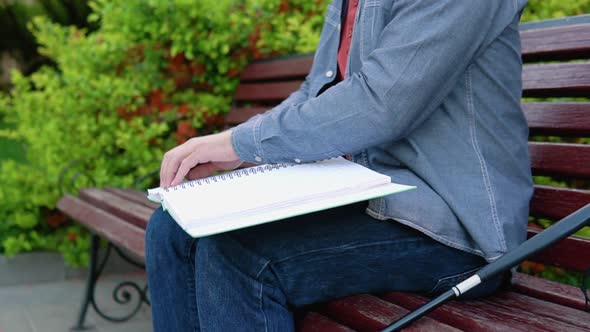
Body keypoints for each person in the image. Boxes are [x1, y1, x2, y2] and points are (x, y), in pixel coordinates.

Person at [146, 0, 533, 330]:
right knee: (172, 227)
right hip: (373, 197)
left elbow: (382, 103)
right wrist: (239, 148)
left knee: (241, 256)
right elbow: (317, 91)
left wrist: (238, 143)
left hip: (455, 228)